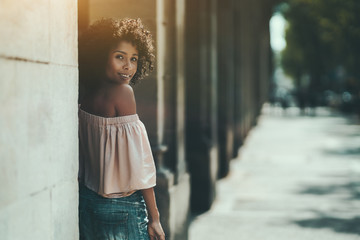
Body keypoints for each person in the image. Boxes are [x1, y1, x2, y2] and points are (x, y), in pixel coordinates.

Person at [78, 18, 165, 240]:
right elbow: (139, 163)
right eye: (120, 57)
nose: (128, 66)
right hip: (122, 207)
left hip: (87, 202)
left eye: (134, 59)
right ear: (100, 56)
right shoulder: (123, 93)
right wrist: (154, 218)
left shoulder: (86, 94)